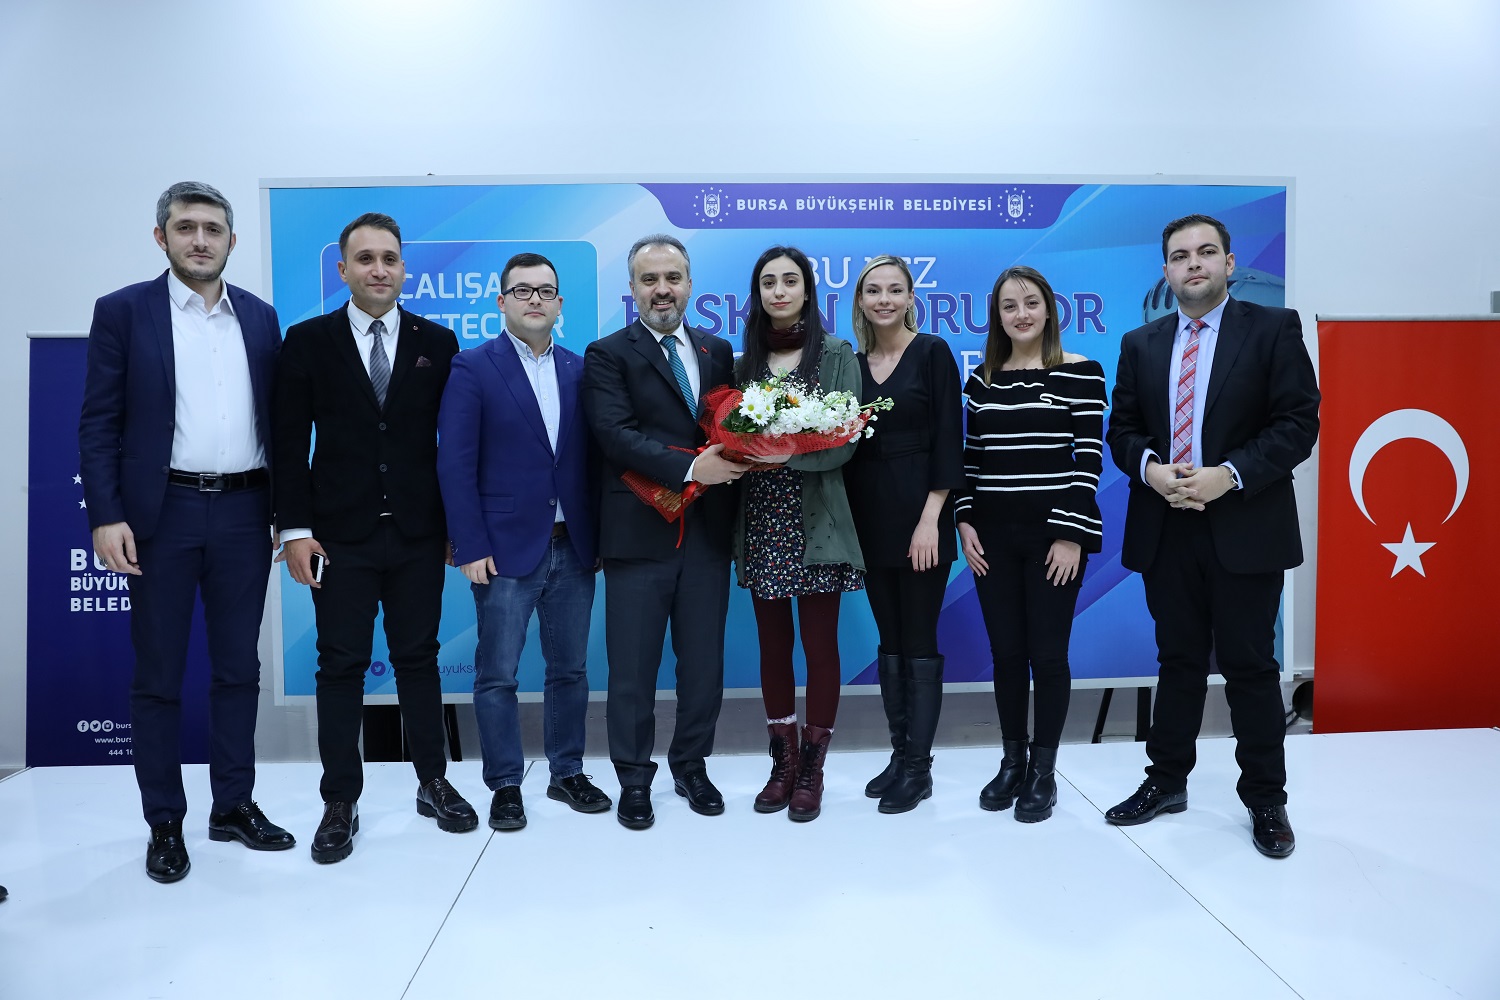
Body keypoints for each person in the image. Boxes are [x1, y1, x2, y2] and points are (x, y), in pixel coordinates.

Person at [79, 181, 294, 883]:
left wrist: (285, 513)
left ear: (232, 240)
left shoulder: (259, 317)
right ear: (161, 237)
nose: (200, 240)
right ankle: (164, 821)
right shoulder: (123, 312)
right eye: (185, 227)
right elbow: (99, 422)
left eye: (212, 229)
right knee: (159, 674)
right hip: (160, 514)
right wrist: (106, 513)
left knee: (238, 670)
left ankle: (232, 805)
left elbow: (280, 424)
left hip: (244, 510)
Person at [1104, 214, 1319, 858]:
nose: (1192, 263)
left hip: (1244, 526)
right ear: (1166, 270)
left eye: (1205, 252)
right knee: (1178, 662)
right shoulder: (1141, 343)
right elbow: (1123, 430)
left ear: (1229, 263)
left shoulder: (1273, 328)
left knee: (1251, 667)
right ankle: (1166, 781)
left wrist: (1230, 475)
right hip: (1167, 527)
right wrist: (1151, 469)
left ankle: (1266, 800)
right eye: (1180, 256)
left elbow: (1298, 423)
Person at [273, 212, 477, 863]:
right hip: (339, 539)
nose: (378, 269)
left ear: (404, 269)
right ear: (343, 270)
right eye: (365, 259)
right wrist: (295, 531)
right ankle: (340, 799)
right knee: (340, 665)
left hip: (420, 535)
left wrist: (459, 526)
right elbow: (287, 444)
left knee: (419, 658)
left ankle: (433, 782)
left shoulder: (437, 341)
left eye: (389, 258)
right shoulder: (307, 341)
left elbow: (456, 445)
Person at [436, 252, 609, 832]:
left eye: (546, 291)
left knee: (570, 670)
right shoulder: (472, 367)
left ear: (560, 303)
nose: (535, 299)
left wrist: (598, 536)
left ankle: (567, 772)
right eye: (523, 290)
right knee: (498, 675)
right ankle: (505, 784)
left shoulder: (581, 368)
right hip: (503, 549)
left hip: (573, 546)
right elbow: (455, 464)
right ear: (502, 301)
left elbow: (592, 463)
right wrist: (468, 543)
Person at [581, 234, 748, 830]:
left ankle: (691, 766)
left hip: (706, 537)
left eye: (672, 278)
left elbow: (732, 428)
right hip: (639, 535)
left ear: (689, 284)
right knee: (632, 670)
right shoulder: (607, 354)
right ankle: (633, 777)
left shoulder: (717, 349)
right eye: (649, 279)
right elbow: (614, 434)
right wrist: (692, 468)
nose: (662, 290)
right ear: (631, 288)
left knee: (703, 666)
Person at [955, 265, 1106, 822]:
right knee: (1007, 656)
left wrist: (1070, 534)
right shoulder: (983, 380)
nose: (1021, 314)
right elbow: (971, 461)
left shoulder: (1082, 372)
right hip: (991, 539)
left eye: (1031, 303)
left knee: (1047, 654)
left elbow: (1088, 460)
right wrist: (965, 522)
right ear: (997, 317)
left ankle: (1044, 771)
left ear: (1049, 308)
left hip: (1053, 538)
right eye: (1009, 306)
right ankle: (1012, 762)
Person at [732, 246, 864, 823]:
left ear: (808, 290)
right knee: (772, 644)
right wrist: (744, 450)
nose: (779, 291)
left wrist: (786, 454)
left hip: (816, 520)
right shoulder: (744, 360)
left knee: (820, 644)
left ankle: (813, 766)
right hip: (762, 517)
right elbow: (728, 431)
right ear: (758, 293)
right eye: (769, 282)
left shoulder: (835, 354)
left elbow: (846, 439)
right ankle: (782, 762)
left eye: (790, 281)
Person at [842, 255, 965, 814]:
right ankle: (900, 754)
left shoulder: (933, 352)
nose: (884, 299)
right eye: (874, 291)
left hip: (923, 519)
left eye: (895, 290)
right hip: (869, 518)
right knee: (889, 640)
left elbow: (949, 438)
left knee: (917, 639)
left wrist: (931, 519)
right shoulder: (851, 365)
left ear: (911, 297)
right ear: (861, 300)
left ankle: (920, 768)